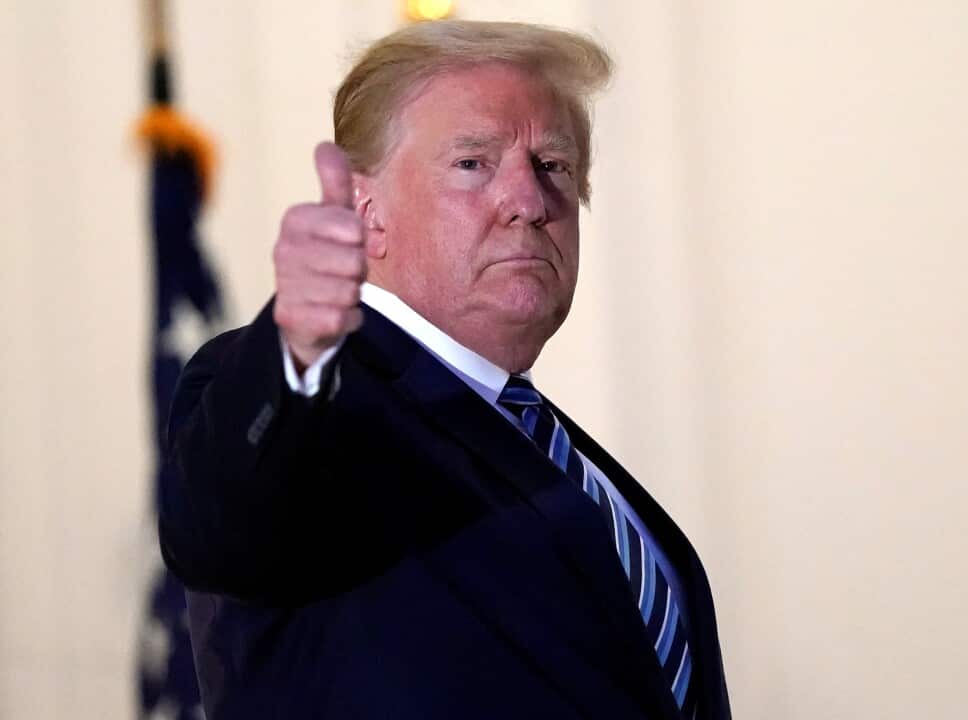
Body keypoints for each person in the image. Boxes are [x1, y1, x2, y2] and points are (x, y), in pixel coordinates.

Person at [158, 20, 730, 720]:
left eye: (553, 165)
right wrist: (293, 353)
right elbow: (219, 533)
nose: (528, 202)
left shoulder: (538, 437)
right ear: (366, 213)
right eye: (473, 163)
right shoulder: (323, 404)